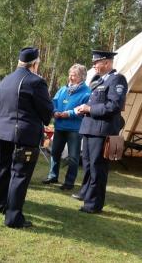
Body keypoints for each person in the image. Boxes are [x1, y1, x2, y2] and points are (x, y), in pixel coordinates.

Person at [0, 47, 53, 228]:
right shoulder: (36, 82)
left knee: (2, 170)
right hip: (24, 133)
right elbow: (46, 111)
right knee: (20, 174)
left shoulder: (6, 79)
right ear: (34, 64)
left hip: (3, 131)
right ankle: (13, 217)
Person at [72, 50, 127, 213]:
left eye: (97, 62)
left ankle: (94, 205)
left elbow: (114, 105)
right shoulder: (98, 80)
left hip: (101, 131)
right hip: (90, 128)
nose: (94, 65)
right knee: (88, 166)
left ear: (107, 63)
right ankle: (87, 195)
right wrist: (84, 109)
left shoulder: (117, 79)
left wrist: (90, 108)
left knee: (98, 168)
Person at [42, 64, 91, 190]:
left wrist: (68, 113)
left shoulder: (87, 92)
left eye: (74, 75)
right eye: (70, 74)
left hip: (75, 129)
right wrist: (55, 111)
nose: (70, 77)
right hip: (59, 127)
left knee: (73, 157)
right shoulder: (63, 89)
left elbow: (84, 108)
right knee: (55, 153)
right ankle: (53, 176)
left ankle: (69, 182)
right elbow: (54, 102)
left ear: (82, 77)